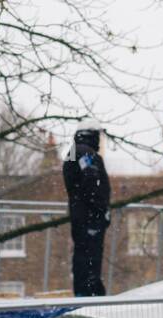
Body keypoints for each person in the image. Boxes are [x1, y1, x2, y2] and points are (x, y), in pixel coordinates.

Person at [62, 119, 111, 297]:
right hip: (89, 217)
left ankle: (86, 290)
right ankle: (89, 293)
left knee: (84, 255)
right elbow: (92, 182)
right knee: (89, 258)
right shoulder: (84, 153)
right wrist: (100, 210)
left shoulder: (75, 152)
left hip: (82, 215)